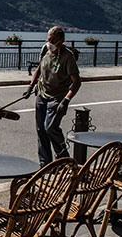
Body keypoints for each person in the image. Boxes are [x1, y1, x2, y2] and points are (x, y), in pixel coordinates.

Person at [23, 26, 82, 166]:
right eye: (48, 39)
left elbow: (77, 82)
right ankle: (45, 164)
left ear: (61, 41)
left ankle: (63, 160)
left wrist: (66, 100)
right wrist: (30, 86)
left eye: (52, 40)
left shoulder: (68, 56)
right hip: (41, 95)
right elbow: (39, 69)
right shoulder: (45, 50)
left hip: (57, 98)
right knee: (41, 130)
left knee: (50, 128)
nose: (49, 42)